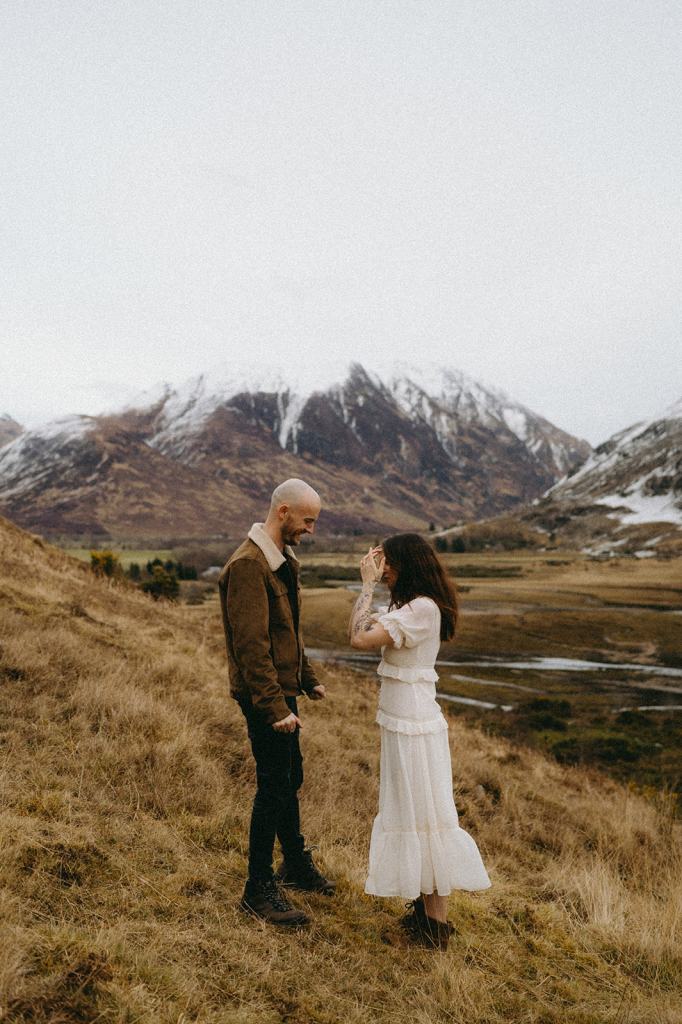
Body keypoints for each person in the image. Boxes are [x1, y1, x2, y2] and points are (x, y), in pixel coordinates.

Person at [349, 533, 490, 950]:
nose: (383, 567)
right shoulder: (409, 607)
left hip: (414, 724)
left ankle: (435, 926)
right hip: (403, 721)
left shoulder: (423, 609)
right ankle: (426, 915)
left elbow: (358, 638)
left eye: (387, 561)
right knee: (414, 812)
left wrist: (365, 585)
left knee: (425, 815)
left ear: (407, 564)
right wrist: (375, 589)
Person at [219, 478, 335, 927]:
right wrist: (274, 708)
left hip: (283, 692)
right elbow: (251, 646)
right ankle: (258, 888)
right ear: (283, 512)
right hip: (265, 696)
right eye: (308, 520)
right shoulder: (250, 566)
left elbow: (288, 630)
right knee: (273, 786)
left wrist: (306, 679)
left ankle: (295, 865)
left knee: (291, 776)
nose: (311, 529)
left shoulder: (283, 560)